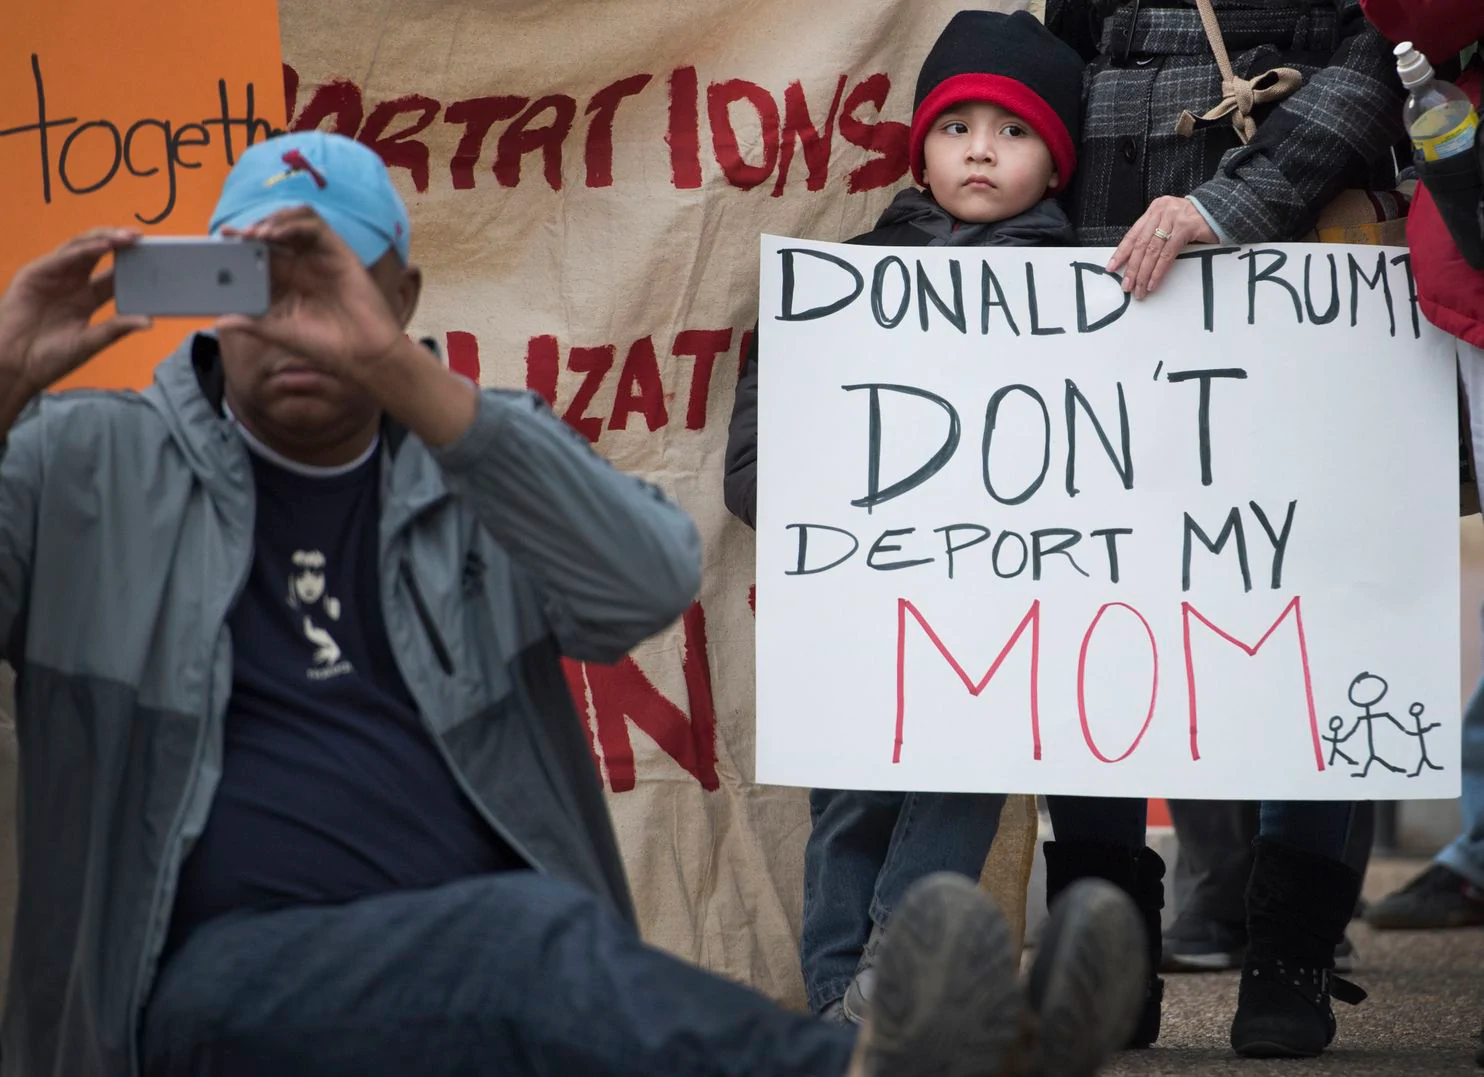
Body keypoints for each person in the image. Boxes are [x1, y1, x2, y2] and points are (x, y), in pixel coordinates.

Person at [0, 130, 1146, 1077]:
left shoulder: (475, 454)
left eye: (330, 278)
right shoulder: (81, 464)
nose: (295, 315)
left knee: (533, 957)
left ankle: (1008, 1057)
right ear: (202, 290)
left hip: (483, 988)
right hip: (199, 992)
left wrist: (400, 374)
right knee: (533, 944)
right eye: (257, 277)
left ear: (397, 292)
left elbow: (645, 581)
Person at [723, 8, 1166, 1050]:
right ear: (916, 151)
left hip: (1008, 614)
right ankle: (840, 1003)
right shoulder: (833, 290)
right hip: (857, 603)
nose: (979, 147)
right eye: (955, 125)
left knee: (964, 771)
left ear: (1055, 165)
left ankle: (892, 973)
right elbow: (753, 468)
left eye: (1012, 131)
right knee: (849, 798)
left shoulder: (1108, 298)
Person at [1044, 0, 1405, 1058]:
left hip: (1301, 275)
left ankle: (1289, 947)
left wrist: (1228, 203)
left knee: (1320, 614)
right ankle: (1105, 946)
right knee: (1085, 614)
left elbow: (1378, 57)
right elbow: (1061, 52)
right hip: (1100, 277)